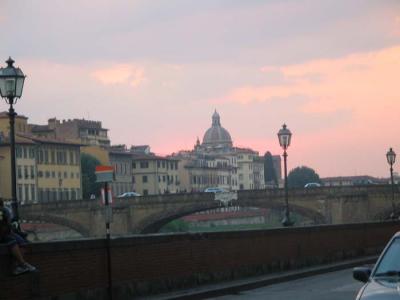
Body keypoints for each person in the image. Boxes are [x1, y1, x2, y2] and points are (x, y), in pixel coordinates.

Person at [0, 199, 36, 275]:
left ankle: (18, 265)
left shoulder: (4, 210)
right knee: (12, 241)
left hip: (8, 232)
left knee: (23, 243)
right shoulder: (4, 211)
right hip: (4, 234)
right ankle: (22, 264)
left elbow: (8, 223)